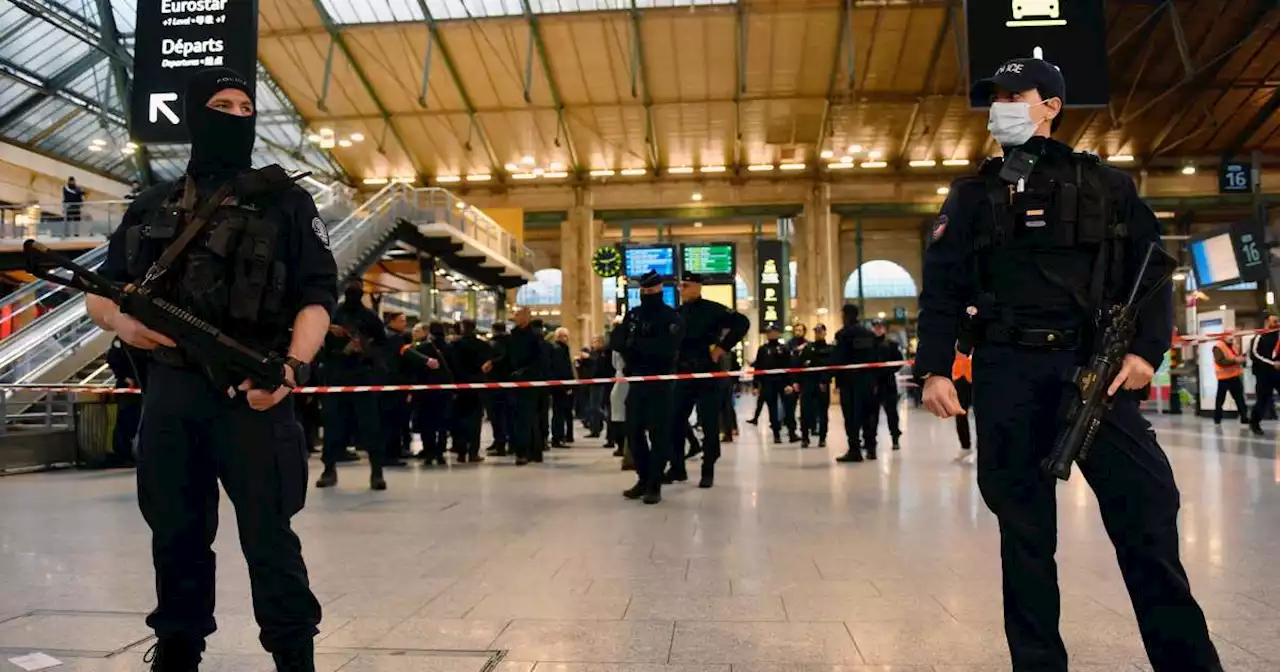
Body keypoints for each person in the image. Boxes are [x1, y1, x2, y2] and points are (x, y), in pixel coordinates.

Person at [915, 57, 1221, 671]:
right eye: (995, 97)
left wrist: (1146, 351)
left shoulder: (1107, 185)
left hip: (1094, 372)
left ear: (1050, 104)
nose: (1000, 106)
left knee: (1147, 521)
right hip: (1007, 373)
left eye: (1015, 94)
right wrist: (934, 367)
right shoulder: (973, 194)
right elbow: (942, 288)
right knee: (1024, 538)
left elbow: (1152, 270)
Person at [88, 67, 333, 671]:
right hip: (172, 392)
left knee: (270, 538)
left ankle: (293, 655)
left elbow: (318, 297)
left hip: (255, 393)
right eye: (222, 104)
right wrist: (122, 324)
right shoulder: (151, 204)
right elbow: (99, 290)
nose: (236, 114)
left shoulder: (288, 202)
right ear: (197, 116)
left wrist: (292, 368)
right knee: (175, 536)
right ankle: (177, 649)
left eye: (246, 106)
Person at [669, 271, 749, 487]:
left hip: (706, 371)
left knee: (709, 422)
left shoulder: (713, 310)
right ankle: (677, 468)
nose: (681, 290)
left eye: (685, 286)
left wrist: (722, 348)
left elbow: (742, 323)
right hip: (683, 373)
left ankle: (708, 469)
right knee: (675, 421)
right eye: (680, 286)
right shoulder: (677, 313)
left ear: (697, 287)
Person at [611, 271, 683, 504]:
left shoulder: (671, 317)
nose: (646, 294)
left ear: (660, 290)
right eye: (643, 291)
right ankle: (643, 478)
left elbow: (666, 348)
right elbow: (617, 341)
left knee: (659, 433)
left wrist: (636, 346)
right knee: (633, 432)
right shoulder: (634, 315)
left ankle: (654, 484)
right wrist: (635, 348)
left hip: (661, 383)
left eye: (650, 291)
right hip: (638, 380)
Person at [317, 280, 389, 490]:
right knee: (332, 426)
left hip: (363, 378)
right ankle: (328, 469)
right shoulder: (333, 316)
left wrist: (365, 349)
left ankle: (377, 471)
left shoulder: (369, 317)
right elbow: (319, 344)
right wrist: (339, 348)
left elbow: (383, 345)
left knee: (371, 427)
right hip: (337, 377)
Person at [485, 307, 545, 465]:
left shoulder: (535, 337)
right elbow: (507, 356)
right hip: (515, 381)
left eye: (518, 315)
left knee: (527, 418)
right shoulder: (513, 335)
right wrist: (493, 363)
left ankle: (526, 452)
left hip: (530, 381)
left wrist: (525, 372)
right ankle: (527, 450)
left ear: (527, 317)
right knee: (520, 417)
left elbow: (539, 361)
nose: (515, 317)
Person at [831, 304, 877, 462]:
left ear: (845, 315)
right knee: (868, 415)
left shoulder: (842, 335)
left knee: (851, 417)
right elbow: (875, 358)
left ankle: (854, 450)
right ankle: (871, 448)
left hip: (849, 382)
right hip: (868, 382)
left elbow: (837, 359)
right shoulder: (869, 335)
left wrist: (833, 379)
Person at [409, 322, 453, 465]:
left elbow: (416, 371)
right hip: (442, 391)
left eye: (416, 331)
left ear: (426, 332)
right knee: (441, 424)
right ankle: (439, 453)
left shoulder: (420, 348)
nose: (413, 333)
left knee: (426, 424)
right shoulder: (447, 346)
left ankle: (429, 452)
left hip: (425, 392)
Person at [449, 319, 491, 462]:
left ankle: (461, 452)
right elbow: (486, 366)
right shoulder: (483, 345)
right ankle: (473, 452)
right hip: (477, 386)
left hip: (460, 387)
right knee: (475, 421)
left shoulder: (454, 345)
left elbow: (451, 366)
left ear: (462, 328)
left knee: (460, 419)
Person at [753, 324, 798, 444]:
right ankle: (776, 434)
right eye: (768, 332)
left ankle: (792, 432)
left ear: (778, 333)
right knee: (772, 409)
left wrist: (791, 382)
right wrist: (756, 385)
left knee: (789, 408)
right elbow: (758, 367)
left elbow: (790, 366)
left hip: (783, 382)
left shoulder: (784, 348)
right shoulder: (763, 349)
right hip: (768, 382)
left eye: (773, 332)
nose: (771, 334)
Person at [104, 337, 145, 468]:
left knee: (134, 420)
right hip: (126, 389)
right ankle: (122, 453)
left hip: (138, 387)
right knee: (125, 420)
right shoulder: (120, 341)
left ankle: (130, 452)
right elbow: (112, 358)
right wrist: (124, 376)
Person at [380, 312, 413, 464]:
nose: (404, 324)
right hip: (395, 384)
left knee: (390, 421)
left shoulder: (384, 336)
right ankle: (391, 454)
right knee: (394, 421)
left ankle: (393, 451)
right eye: (401, 321)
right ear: (391, 321)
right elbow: (405, 359)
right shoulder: (395, 339)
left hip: (387, 384)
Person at [868, 319, 903, 450]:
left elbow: (899, 362)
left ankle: (895, 438)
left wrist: (888, 371)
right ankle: (871, 440)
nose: (877, 329)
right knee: (872, 415)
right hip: (873, 385)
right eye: (875, 327)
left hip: (888, 383)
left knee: (892, 414)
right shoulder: (869, 345)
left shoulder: (891, 345)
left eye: (880, 327)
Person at [797, 324, 832, 448]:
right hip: (808, 383)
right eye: (816, 331)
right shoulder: (808, 348)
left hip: (822, 384)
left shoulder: (830, 349)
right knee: (805, 411)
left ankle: (822, 438)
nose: (818, 334)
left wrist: (824, 380)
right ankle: (805, 437)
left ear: (825, 333)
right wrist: (797, 382)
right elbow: (800, 365)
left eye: (820, 331)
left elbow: (830, 368)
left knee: (823, 413)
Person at [1248, 313, 1280, 435]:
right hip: (1263, 373)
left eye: (1277, 321)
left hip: (1278, 372)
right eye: (1274, 321)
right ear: (1266, 322)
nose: (1277, 323)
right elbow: (1254, 354)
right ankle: (1254, 422)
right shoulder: (1258, 337)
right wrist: (1272, 363)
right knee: (1263, 399)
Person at [485, 322, 514, 456]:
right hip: (511, 384)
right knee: (509, 416)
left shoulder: (494, 344)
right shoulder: (512, 343)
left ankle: (500, 444)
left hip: (495, 384)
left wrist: (491, 363)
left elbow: (493, 361)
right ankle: (510, 443)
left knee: (496, 416)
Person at [1211, 334, 1249, 426]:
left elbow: (1235, 357)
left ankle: (1244, 417)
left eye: (1233, 336)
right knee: (1220, 400)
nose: (1231, 338)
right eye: (1229, 336)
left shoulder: (1233, 346)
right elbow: (1220, 362)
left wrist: (1241, 359)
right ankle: (1217, 418)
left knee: (1239, 398)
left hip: (1234, 376)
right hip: (1224, 378)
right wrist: (1236, 361)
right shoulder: (1218, 347)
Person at [549, 327, 576, 447]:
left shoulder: (558, 348)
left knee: (559, 412)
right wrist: (568, 385)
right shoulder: (560, 350)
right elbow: (563, 369)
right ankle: (557, 437)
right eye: (563, 336)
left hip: (558, 385)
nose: (565, 339)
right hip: (561, 386)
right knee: (559, 412)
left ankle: (559, 436)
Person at [783, 323, 808, 435]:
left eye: (800, 330)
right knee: (790, 407)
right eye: (796, 330)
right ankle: (791, 431)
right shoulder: (788, 345)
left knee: (806, 407)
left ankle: (806, 429)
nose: (798, 332)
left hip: (805, 380)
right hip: (791, 379)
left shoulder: (808, 345)